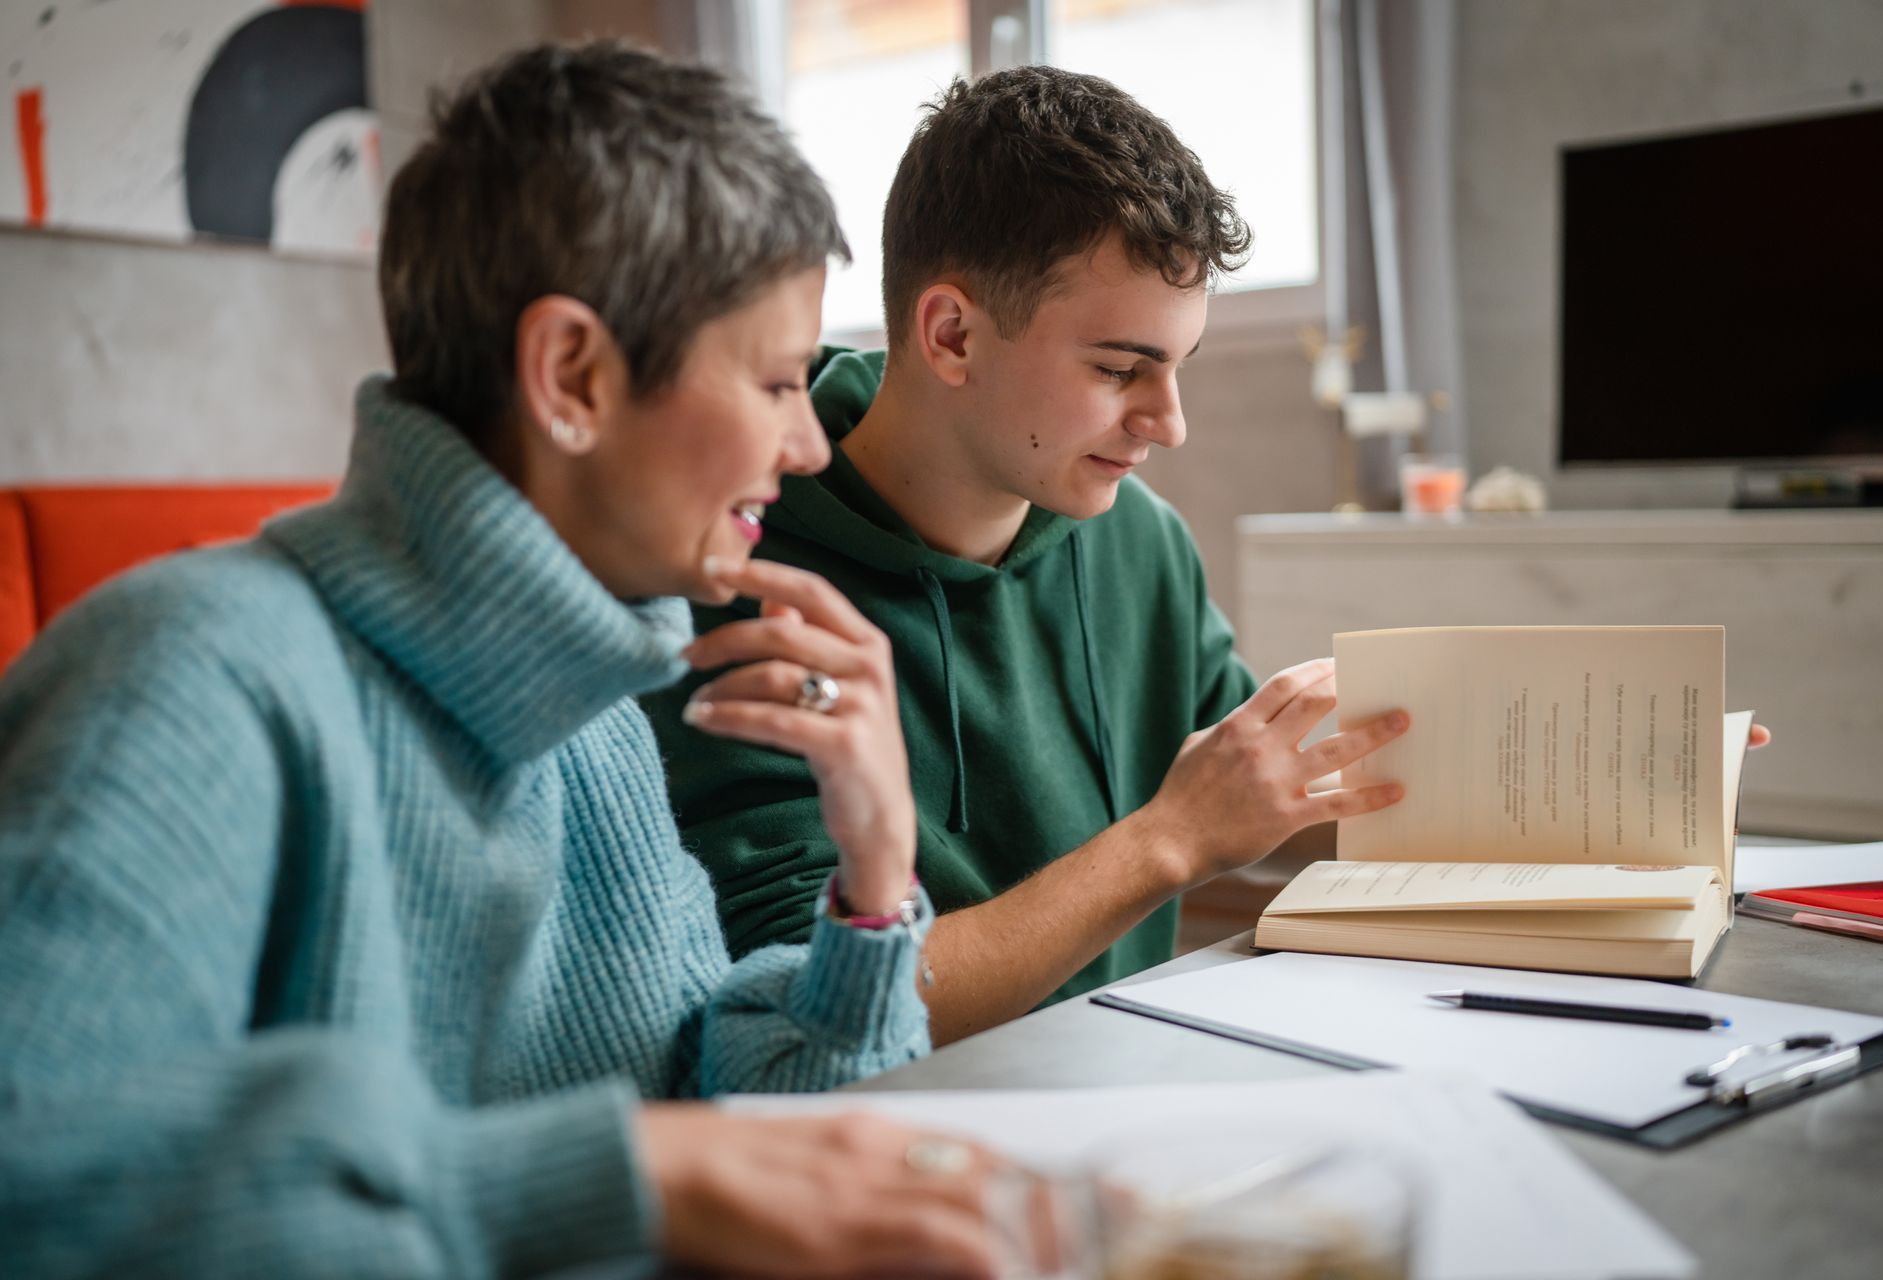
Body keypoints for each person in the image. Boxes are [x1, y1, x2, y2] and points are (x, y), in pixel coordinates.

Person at [0, 44, 1006, 1279]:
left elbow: (716, 1118)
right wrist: (620, 1175)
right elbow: (35, 1182)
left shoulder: (592, 711)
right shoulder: (183, 677)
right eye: (778, 381)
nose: (805, 444)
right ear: (573, 375)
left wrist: (871, 886)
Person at [646, 65, 1412, 1047]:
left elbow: (1266, 786)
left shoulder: (1141, 539)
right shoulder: (736, 575)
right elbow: (811, 1013)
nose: (1167, 424)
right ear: (953, 334)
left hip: (1131, 1094)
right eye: (1118, 369)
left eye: (1176, 368)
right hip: (901, 1149)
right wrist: (1167, 841)